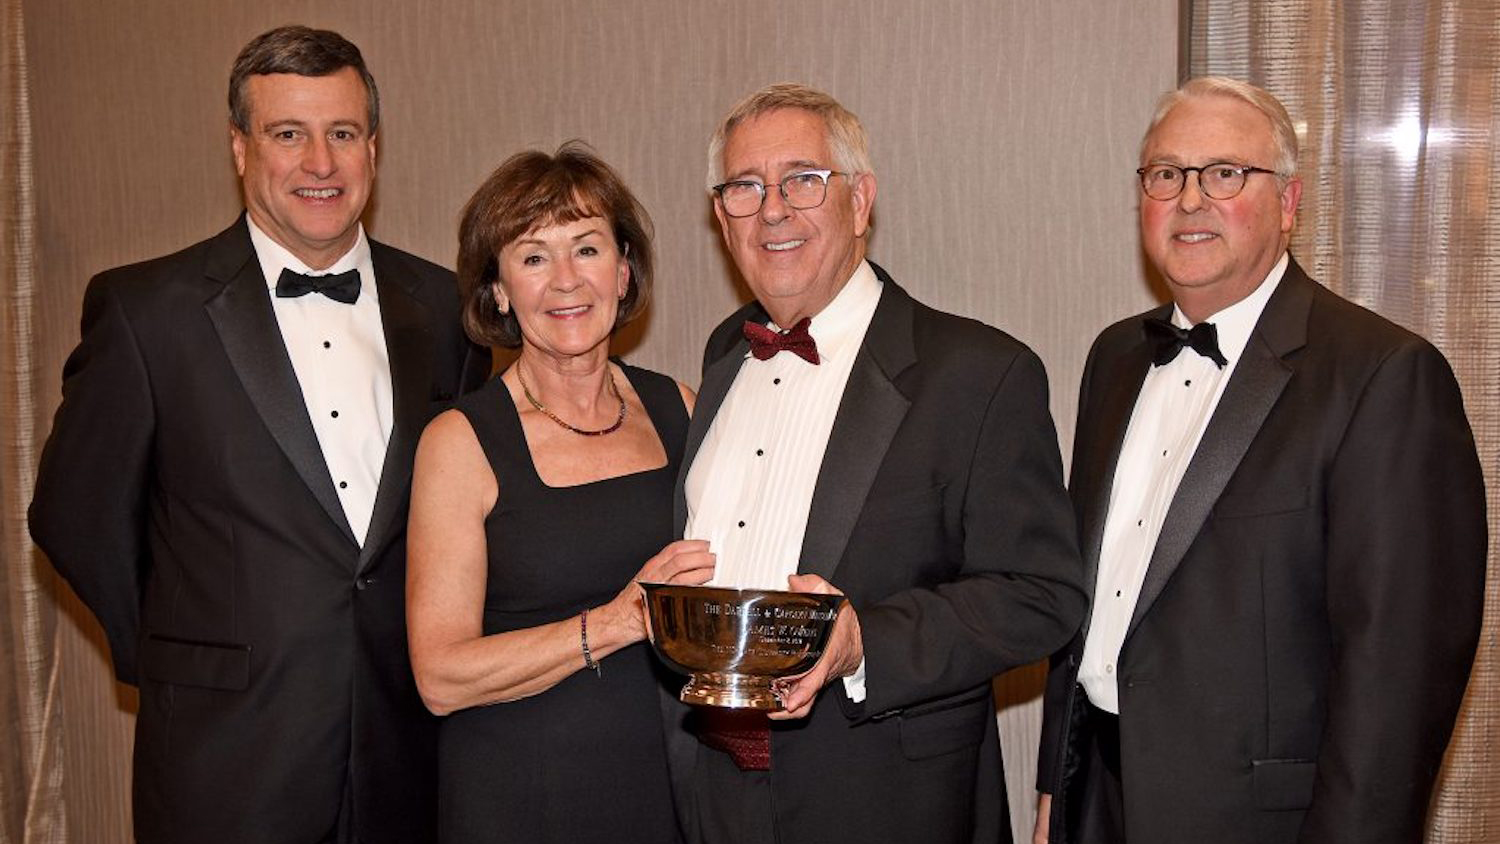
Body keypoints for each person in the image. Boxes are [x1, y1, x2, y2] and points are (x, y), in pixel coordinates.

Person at [28, 26, 490, 844]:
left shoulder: (447, 313)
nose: (320, 163)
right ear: (240, 149)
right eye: (288, 134)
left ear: (373, 149)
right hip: (225, 758)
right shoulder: (147, 314)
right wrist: (185, 650)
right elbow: (75, 516)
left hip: (409, 754)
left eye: (342, 133)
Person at [1034, 77, 1487, 844]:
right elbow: (1088, 603)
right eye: (1166, 174)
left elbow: (1396, 682)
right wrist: (1055, 785)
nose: (1189, 199)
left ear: (1288, 204)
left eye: (1225, 174)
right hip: (1096, 798)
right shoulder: (1113, 358)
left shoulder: (1383, 376)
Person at [662, 83, 1088, 844]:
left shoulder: (978, 374)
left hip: (886, 802)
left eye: (803, 180)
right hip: (710, 789)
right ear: (720, 217)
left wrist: (866, 643)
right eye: (744, 188)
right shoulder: (726, 353)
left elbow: (1042, 595)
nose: (772, 210)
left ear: (860, 201)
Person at [405, 142, 714, 844]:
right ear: (498, 291)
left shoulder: (684, 409)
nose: (566, 282)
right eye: (534, 257)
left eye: (587, 248)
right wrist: (618, 622)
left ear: (625, 269)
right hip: (524, 796)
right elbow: (441, 676)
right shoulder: (460, 442)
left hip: (671, 785)